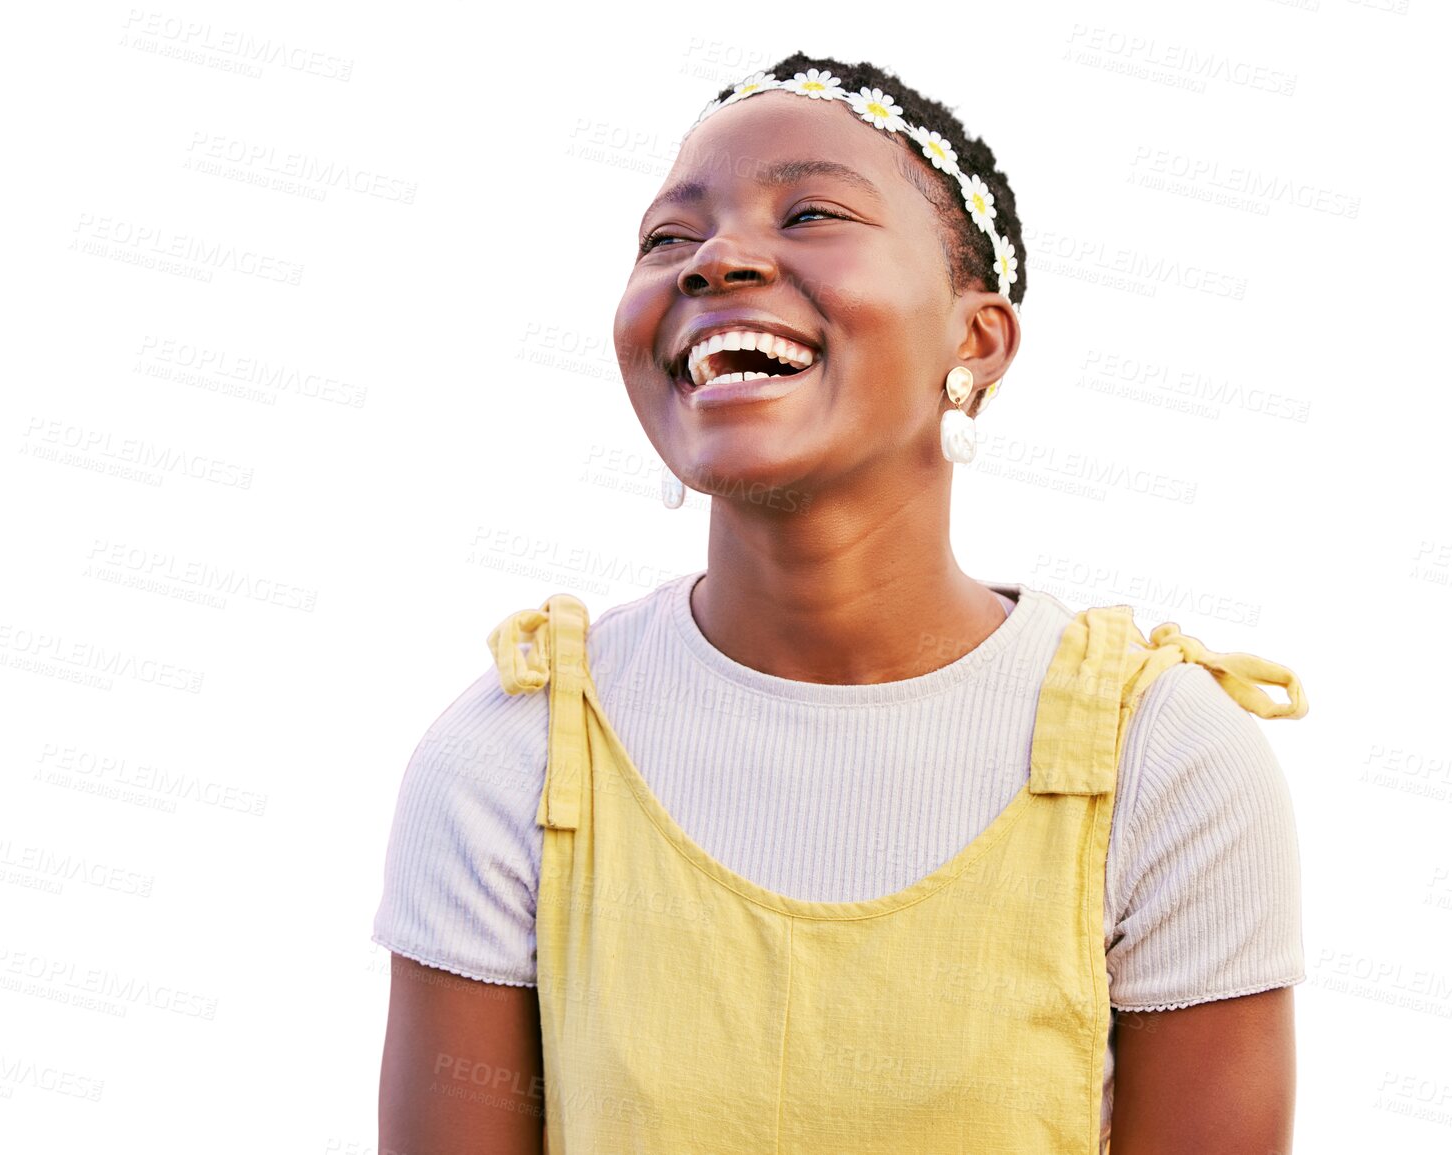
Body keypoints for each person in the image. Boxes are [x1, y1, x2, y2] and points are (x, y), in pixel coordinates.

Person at [375, 51, 1307, 1154]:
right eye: (668, 239)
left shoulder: (1163, 761)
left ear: (977, 341)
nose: (717, 259)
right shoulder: (514, 756)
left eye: (810, 212)